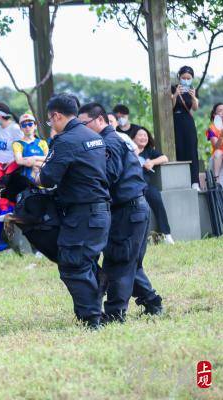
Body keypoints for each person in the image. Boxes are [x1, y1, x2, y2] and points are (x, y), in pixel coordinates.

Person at [35, 94, 111, 328]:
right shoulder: (93, 136)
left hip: (82, 213)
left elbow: (47, 178)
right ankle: (89, 311)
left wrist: (37, 175)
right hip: (100, 212)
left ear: (57, 115)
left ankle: (92, 318)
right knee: (85, 262)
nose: (52, 125)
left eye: (50, 121)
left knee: (72, 263)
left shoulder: (66, 140)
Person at [79, 103, 149, 323]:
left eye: (84, 124)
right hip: (132, 209)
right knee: (128, 262)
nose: (82, 129)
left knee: (119, 262)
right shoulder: (111, 141)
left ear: (100, 120)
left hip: (128, 209)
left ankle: (115, 313)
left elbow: (108, 175)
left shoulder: (109, 143)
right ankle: (152, 302)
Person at [133, 127, 174, 244]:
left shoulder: (149, 151)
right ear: (133, 138)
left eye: (145, 135)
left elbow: (165, 158)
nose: (143, 138)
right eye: (140, 135)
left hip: (145, 186)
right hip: (131, 187)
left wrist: (152, 162)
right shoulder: (128, 151)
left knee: (156, 197)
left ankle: (166, 234)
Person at [171, 66, 200, 190]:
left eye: (189, 78)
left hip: (188, 122)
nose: (186, 80)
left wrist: (193, 97)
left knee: (192, 150)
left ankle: (195, 182)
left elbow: (195, 108)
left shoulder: (193, 89)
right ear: (179, 77)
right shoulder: (172, 88)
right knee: (179, 148)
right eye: (184, 78)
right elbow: (169, 107)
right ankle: (182, 180)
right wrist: (175, 95)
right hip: (175, 120)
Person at [12, 114, 49, 182]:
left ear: (35, 126)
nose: (27, 127)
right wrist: (41, 164)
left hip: (44, 179)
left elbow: (48, 158)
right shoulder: (17, 144)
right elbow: (19, 161)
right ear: (20, 128)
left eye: (30, 124)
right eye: (24, 125)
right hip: (26, 181)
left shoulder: (43, 142)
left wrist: (34, 158)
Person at [205, 103, 223, 183]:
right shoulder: (212, 129)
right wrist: (221, 135)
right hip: (217, 155)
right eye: (220, 111)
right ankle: (216, 180)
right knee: (218, 152)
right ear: (214, 115)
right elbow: (216, 146)